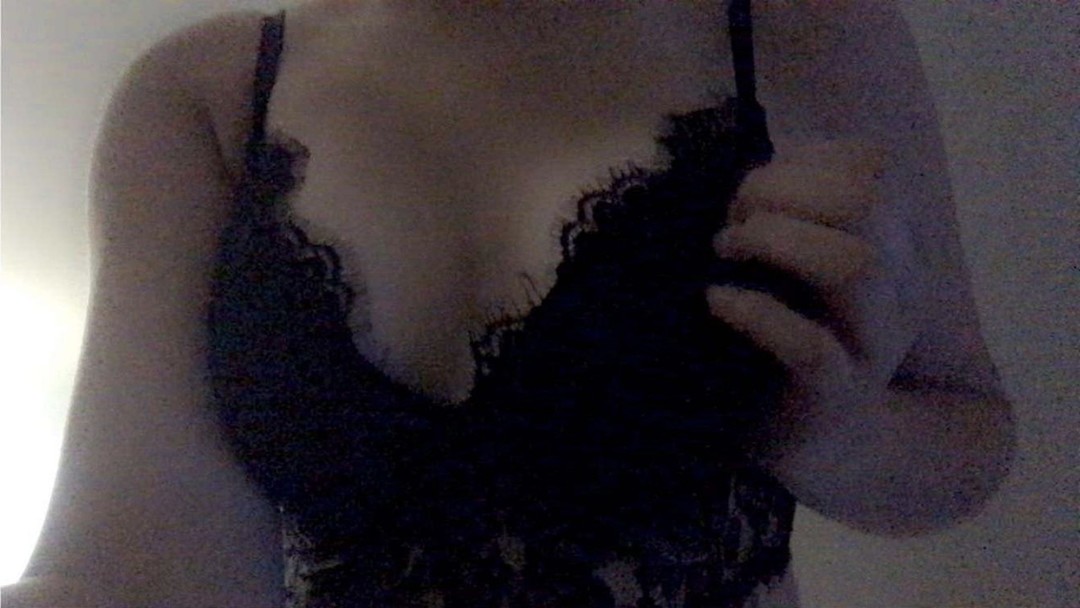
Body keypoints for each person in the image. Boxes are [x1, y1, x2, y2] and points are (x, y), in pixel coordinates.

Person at [4, 2, 1015, 607]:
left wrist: (834, 438)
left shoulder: (806, 30)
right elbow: (140, 564)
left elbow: (970, 429)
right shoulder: (207, 96)